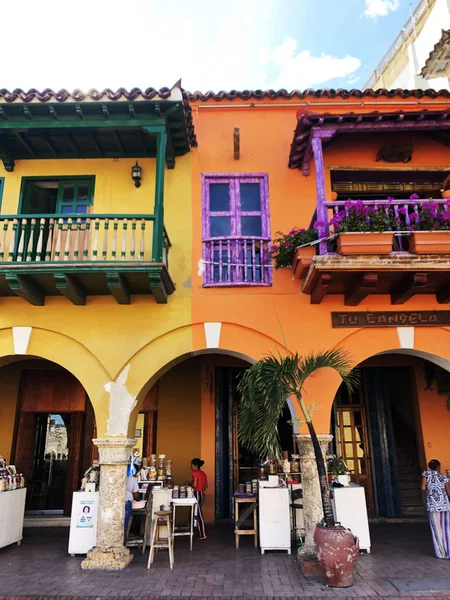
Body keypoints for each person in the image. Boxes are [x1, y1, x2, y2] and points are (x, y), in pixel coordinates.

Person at [421, 459, 450, 559]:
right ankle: (449, 552)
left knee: (436, 528)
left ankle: (441, 553)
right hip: (445, 505)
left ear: (429, 467)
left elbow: (423, 488)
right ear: (438, 467)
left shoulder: (426, 474)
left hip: (433, 505)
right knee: (446, 528)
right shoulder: (443, 477)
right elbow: (449, 493)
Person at [190, 458, 208, 540]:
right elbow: (206, 486)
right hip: (202, 494)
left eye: (192, 465)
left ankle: (203, 534)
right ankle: (195, 530)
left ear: (195, 465)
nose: (191, 467)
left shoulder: (195, 473)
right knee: (196, 512)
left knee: (199, 514)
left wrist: (189, 483)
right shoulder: (203, 473)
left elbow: (194, 485)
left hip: (197, 494)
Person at [125, 467, 140, 535]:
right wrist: (139, 501)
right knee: (125, 524)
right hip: (127, 501)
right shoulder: (133, 479)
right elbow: (136, 494)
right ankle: (124, 540)